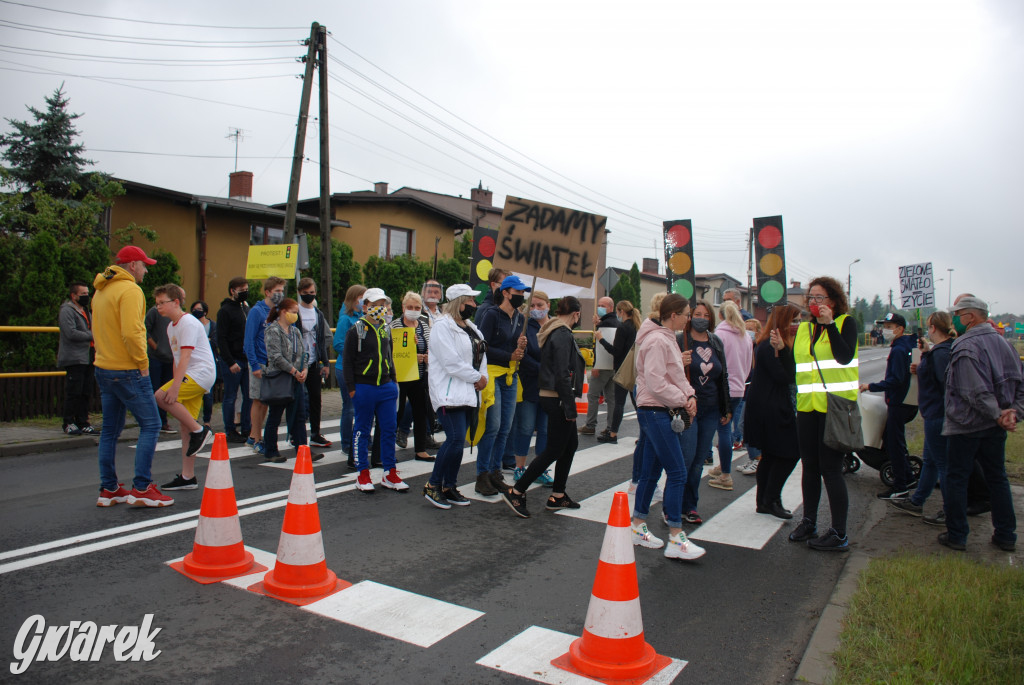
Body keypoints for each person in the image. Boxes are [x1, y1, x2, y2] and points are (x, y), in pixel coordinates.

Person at [91, 246, 172, 507]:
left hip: (103, 366)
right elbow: (132, 332)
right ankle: (141, 487)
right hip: (128, 368)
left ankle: (109, 488)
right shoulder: (131, 290)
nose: (146, 270)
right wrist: (142, 363)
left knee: (109, 431)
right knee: (151, 425)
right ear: (133, 265)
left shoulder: (101, 290)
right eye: (144, 265)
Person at [938, 296, 1020, 552]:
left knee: (956, 479)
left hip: (967, 425)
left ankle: (957, 534)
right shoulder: (1004, 344)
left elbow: (973, 391)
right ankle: (1006, 534)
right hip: (995, 427)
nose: (954, 320)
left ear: (970, 317)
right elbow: (1019, 383)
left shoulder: (965, 346)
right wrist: (1012, 413)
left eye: (957, 314)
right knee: (997, 478)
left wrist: (998, 414)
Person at [628, 293, 705, 561]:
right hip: (656, 410)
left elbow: (672, 376)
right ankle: (675, 536)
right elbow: (656, 381)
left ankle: (638, 526)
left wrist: (690, 395)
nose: (690, 319)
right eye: (687, 314)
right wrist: (686, 398)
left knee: (651, 471)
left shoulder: (663, 337)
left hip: (657, 409)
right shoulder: (660, 339)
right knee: (677, 472)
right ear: (674, 315)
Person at [500, 296, 587, 518]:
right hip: (557, 397)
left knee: (570, 445)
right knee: (555, 449)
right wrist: (569, 406)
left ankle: (558, 495)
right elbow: (561, 373)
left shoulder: (555, 331)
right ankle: (517, 491)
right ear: (576, 314)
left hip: (555, 396)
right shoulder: (562, 333)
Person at [790, 276, 859, 552]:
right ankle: (809, 521)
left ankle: (839, 533)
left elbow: (843, 357)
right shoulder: (805, 329)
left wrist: (830, 324)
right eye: (811, 298)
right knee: (809, 466)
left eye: (820, 298)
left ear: (833, 301)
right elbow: (798, 367)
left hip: (835, 408)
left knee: (831, 469)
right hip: (807, 408)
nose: (815, 303)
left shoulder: (845, 323)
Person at [423, 284, 488, 509]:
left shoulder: (472, 327)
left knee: (458, 442)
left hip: (467, 391)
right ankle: (433, 485)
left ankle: (449, 486)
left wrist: (483, 376)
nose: (474, 304)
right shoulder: (442, 326)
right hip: (448, 392)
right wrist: (476, 377)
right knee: (454, 439)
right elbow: (450, 362)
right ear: (459, 302)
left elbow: (482, 353)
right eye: (470, 300)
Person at [890, 311, 955, 522]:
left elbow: (945, 384)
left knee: (943, 465)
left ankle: (950, 511)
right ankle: (917, 500)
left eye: (929, 326)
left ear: (934, 328)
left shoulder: (942, 353)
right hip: (934, 413)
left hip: (939, 414)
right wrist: (925, 357)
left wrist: (925, 365)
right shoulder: (939, 351)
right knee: (930, 461)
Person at [344, 287, 406, 493]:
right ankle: (362, 473)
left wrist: (394, 381)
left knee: (389, 429)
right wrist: (352, 389)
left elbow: (390, 356)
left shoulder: (385, 328)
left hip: (386, 387)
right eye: (376, 305)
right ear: (366, 306)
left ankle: (390, 473)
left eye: (383, 304)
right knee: (362, 430)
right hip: (364, 387)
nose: (381, 308)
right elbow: (347, 362)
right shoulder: (356, 330)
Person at [153, 286, 215, 489]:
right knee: (184, 425)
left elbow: (187, 357)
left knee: (159, 396)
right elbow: (177, 359)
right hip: (190, 373)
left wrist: (175, 387)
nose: (158, 306)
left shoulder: (188, 322)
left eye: (162, 302)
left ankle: (201, 430)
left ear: (176, 302)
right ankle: (188, 477)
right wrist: (175, 382)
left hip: (200, 373)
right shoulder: (171, 326)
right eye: (157, 302)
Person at [474, 274, 530, 495]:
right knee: (493, 426)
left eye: (522, 292)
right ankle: (482, 474)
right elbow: (482, 346)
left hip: (510, 376)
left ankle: (495, 472)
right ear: (505, 293)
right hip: (493, 375)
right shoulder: (491, 315)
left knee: (505, 428)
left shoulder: (519, 316)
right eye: (517, 292)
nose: (521, 296)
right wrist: (510, 354)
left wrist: (520, 346)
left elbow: (513, 348)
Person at [745, 304, 802, 518]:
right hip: (771, 408)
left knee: (770, 456)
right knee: (789, 453)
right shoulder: (772, 346)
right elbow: (787, 376)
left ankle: (766, 500)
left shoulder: (775, 344)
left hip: (770, 405)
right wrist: (788, 352)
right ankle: (771, 498)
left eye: (799, 321)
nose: (797, 325)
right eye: (793, 321)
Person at [678, 300, 730, 524]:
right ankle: (675, 505)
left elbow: (723, 376)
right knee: (686, 458)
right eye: (697, 314)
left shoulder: (715, 341)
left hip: (710, 408)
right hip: (688, 407)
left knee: (699, 460)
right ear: (689, 316)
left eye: (706, 315)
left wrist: (726, 407)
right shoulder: (680, 339)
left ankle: (690, 506)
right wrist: (679, 362)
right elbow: (667, 371)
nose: (701, 318)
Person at [860, 312, 919, 500]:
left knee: (894, 444)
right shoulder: (907, 345)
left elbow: (895, 379)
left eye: (889, 327)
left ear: (900, 329)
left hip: (899, 403)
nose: (885, 330)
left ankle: (900, 486)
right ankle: (908, 477)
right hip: (906, 402)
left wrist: (870, 386)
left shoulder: (899, 350)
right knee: (893, 439)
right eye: (885, 326)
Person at [262, 297, 317, 464]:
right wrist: (294, 371)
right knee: (275, 416)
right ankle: (271, 450)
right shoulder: (273, 330)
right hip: (280, 378)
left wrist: (304, 369)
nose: (296, 315)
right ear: (284, 312)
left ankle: (303, 449)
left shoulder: (295, 332)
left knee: (299, 415)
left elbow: (304, 353)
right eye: (293, 312)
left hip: (295, 379)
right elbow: (275, 357)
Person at [706, 301, 751, 491]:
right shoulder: (745, 335)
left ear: (721, 315)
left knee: (722, 430)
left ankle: (725, 474)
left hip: (722, 388)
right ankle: (723, 467)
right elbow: (749, 363)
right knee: (728, 428)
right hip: (739, 387)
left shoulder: (719, 335)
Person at [510, 291, 553, 484]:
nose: (536, 309)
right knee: (525, 427)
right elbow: (523, 355)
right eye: (532, 306)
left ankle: (540, 468)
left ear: (548, 305)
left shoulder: (555, 327)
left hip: (551, 386)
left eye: (540, 305)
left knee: (545, 429)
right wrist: (542, 369)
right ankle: (519, 467)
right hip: (529, 384)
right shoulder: (526, 326)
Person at [243, 277, 286, 456]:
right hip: (259, 362)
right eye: (277, 291)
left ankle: (256, 435)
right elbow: (249, 340)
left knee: (267, 400)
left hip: (273, 363)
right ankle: (255, 437)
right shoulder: (256, 312)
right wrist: (254, 365)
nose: (280, 294)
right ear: (267, 292)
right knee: (257, 400)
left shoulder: (278, 311)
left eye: (282, 290)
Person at [390, 291, 434, 462]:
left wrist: (429, 355)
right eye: (410, 307)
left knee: (420, 412)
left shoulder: (423, 325)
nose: (413, 310)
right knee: (397, 412)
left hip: (420, 375)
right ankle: (387, 449)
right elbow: (391, 351)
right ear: (403, 307)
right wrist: (411, 357)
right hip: (401, 377)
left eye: (417, 307)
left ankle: (420, 449)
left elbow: (431, 345)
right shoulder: (394, 326)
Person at [595, 299, 640, 445]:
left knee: (619, 403)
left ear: (621, 311)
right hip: (635, 369)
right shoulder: (636, 327)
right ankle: (644, 434)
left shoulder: (623, 328)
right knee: (637, 403)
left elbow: (616, 351)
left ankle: (613, 433)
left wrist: (601, 339)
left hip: (622, 369)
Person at [333, 284, 367, 466]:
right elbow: (338, 343)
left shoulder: (363, 318)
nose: (364, 301)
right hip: (345, 369)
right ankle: (347, 443)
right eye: (362, 297)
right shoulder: (346, 319)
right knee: (350, 407)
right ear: (354, 299)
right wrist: (355, 354)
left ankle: (360, 439)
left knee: (361, 407)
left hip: (360, 369)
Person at [296, 277, 332, 448]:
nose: (309, 296)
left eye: (311, 293)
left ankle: (316, 433)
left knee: (316, 399)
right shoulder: (295, 313)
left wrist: (325, 363)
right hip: (297, 363)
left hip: (314, 362)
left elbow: (322, 340)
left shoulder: (318, 313)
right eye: (305, 293)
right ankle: (297, 433)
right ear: (299, 293)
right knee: (298, 400)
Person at [216, 276, 252, 443]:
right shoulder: (225, 311)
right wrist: (230, 361)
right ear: (233, 291)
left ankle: (247, 427)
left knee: (249, 395)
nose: (245, 292)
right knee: (230, 396)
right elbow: (221, 338)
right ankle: (230, 429)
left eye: (246, 289)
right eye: (242, 290)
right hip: (232, 359)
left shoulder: (245, 308)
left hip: (246, 359)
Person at [58, 281, 96, 436]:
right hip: (74, 357)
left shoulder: (86, 311)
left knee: (85, 391)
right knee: (74, 391)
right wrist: (92, 335)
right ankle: (68, 422)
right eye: (83, 294)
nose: (86, 297)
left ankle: (83, 421)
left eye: (87, 293)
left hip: (88, 355)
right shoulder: (67, 311)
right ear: (73, 296)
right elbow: (70, 333)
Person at [581, 296, 620, 437]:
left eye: (602, 305)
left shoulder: (605, 325)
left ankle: (590, 425)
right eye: (599, 305)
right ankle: (611, 426)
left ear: (610, 307)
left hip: (602, 366)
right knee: (611, 398)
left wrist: (596, 364)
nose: (599, 308)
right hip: (613, 366)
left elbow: (601, 347)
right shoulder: (617, 323)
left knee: (592, 395)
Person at [735, 318, 764, 475]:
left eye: (752, 329)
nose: (748, 333)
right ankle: (754, 457)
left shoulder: (760, 348)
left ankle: (757, 458)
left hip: (754, 391)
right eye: (746, 329)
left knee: (746, 425)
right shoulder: (744, 346)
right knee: (743, 425)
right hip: (744, 390)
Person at [144, 298, 174, 433]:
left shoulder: (174, 315)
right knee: (155, 390)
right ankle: (155, 421)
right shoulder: (153, 312)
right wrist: (155, 347)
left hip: (170, 357)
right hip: (156, 357)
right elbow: (145, 330)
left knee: (166, 391)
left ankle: (163, 421)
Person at [189, 300, 218, 429]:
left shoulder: (212, 325)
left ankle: (207, 421)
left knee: (208, 395)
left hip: (209, 363)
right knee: (195, 394)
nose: (196, 311)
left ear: (205, 311)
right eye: (194, 309)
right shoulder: (190, 325)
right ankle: (192, 420)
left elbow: (214, 342)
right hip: (193, 364)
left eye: (199, 309)